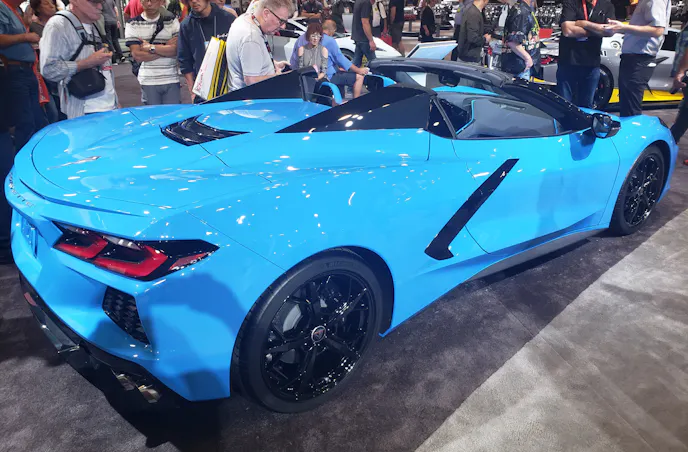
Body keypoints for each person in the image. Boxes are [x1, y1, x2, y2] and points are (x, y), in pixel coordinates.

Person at [40, 0, 119, 119]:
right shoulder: (58, 25)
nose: (100, 7)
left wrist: (115, 101)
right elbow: (49, 69)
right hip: (83, 112)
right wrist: (86, 63)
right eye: (94, 2)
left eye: (101, 2)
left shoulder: (93, 24)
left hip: (109, 107)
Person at [604, 0, 670, 117]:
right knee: (628, 106)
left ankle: (632, 128)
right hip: (635, 58)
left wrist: (623, 27)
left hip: (639, 59)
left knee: (631, 108)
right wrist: (621, 27)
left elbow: (658, 29)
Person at [0, 0, 47, 150]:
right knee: (26, 123)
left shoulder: (16, 10)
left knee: (37, 120)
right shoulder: (2, 8)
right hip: (15, 71)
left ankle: (37, 155)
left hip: (26, 70)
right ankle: (25, 159)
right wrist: (25, 37)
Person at [557, 0, 615, 107]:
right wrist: (598, 30)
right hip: (568, 61)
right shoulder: (572, 2)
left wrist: (584, 24)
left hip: (592, 62)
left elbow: (610, 31)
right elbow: (568, 31)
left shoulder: (606, 5)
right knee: (564, 105)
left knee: (587, 106)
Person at [290, 19, 368, 97]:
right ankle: (355, 103)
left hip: (305, 77)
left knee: (340, 73)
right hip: (326, 76)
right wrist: (358, 70)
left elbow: (294, 61)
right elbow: (340, 59)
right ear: (331, 31)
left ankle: (339, 100)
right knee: (359, 77)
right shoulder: (328, 40)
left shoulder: (301, 39)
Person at [226, 0, 292, 90]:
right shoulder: (251, 38)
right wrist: (278, 76)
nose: (283, 27)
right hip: (253, 96)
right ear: (266, 14)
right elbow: (251, 81)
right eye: (281, 21)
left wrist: (274, 64)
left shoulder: (245, 19)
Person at [126, 0, 181, 105]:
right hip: (148, 80)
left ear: (161, 2)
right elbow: (137, 55)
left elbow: (176, 50)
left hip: (171, 77)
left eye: (153, 0)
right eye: (146, 0)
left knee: (173, 114)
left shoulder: (172, 21)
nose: (149, 4)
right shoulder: (132, 23)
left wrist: (150, 47)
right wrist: (165, 47)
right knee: (152, 114)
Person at [178, 0, 234, 102]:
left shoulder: (228, 19)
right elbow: (185, 61)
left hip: (229, 87)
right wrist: (192, 91)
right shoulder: (186, 25)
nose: (194, 1)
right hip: (202, 91)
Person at [500, 0, 540, 80]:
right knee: (519, 87)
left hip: (522, 64)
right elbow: (512, 41)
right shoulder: (522, 12)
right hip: (520, 66)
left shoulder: (523, 9)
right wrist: (527, 58)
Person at [351, 0, 375, 66]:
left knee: (356, 61)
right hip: (364, 37)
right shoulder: (366, 3)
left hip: (358, 35)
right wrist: (371, 40)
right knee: (374, 62)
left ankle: (350, 71)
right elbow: (365, 22)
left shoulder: (359, 1)